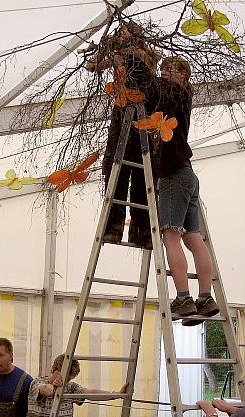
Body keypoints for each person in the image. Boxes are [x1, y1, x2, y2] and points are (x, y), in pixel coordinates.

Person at [152, 55, 219, 325]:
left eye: (174, 69)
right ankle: (205, 297)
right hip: (188, 174)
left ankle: (183, 297)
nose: (167, 72)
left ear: (185, 75)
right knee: (194, 238)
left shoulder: (175, 93)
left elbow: (152, 89)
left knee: (171, 236)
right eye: (164, 68)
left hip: (173, 174)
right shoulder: (181, 96)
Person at [86, 20, 161, 249]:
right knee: (115, 166)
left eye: (125, 32)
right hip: (122, 110)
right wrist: (104, 46)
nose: (122, 36)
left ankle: (141, 229)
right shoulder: (118, 53)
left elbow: (148, 65)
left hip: (142, 111)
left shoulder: (145, 52)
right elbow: (92, 66)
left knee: (141, 173)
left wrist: (122, 53)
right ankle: (114, 226)